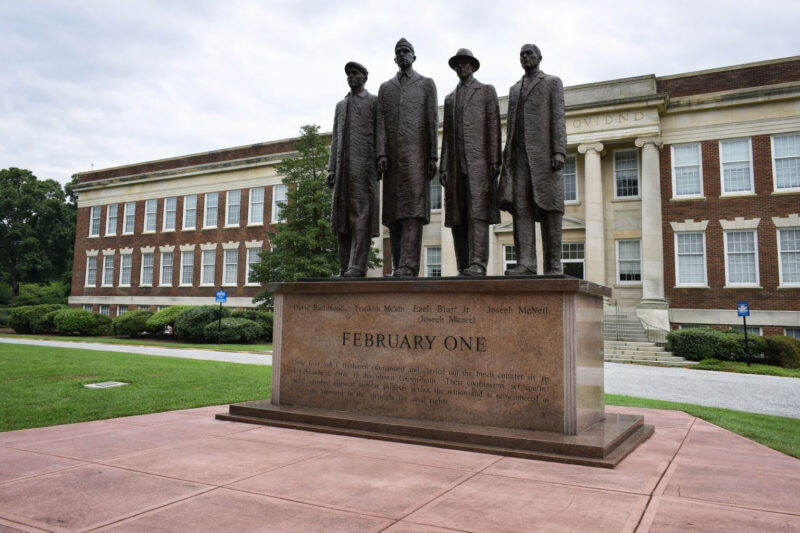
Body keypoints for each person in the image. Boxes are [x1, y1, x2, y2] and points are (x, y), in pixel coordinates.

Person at [498, 44, 567, 275]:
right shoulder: (514, 89)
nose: (525, 57)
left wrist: (559, 150)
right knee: (521, 210)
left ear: (540, 57)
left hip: (544, 157)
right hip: (518, 159)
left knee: (550, 209)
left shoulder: (551, 82)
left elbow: (558, 117)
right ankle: (526, 263)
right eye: (522, 54)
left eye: (529, 53)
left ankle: (553, 264)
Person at [376, 38, 438, 277]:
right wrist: (381, 153)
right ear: (395, 58)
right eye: (399, 52)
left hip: (416, 158)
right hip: (391, 161)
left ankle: (410, 266)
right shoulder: (386, 88)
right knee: (393, 215)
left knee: (412, 212)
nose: (402, 55)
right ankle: (398, 265)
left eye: (406, 51)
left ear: (414, 56)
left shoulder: (426, 84)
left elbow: (432, 121)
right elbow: (380, 122)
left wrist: (432, 156)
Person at [439, 48, 501, 276]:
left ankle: (478, 263)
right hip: (455, 167)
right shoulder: (450, 99)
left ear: (473, 66)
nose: (460, 67)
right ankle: (462, 264)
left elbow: (493, 126)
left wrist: (495, 159)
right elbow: (446, 137)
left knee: (478, 214)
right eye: (457, 64)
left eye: (464, 63)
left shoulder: (485, 91)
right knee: (458, 217)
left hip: (479, 165)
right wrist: (444, 165)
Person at [326, 61, 380, 277]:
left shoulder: (374, 102)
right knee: (341, 220)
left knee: (361, 218)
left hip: (364, 170)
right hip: (342, 172)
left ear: (364, 77)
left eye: (355, 73)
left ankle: (357, 266)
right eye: (348, 74)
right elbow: (335, 139)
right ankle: (343, 267)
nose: (351, 77)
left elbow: (381, 134)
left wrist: (380, 159)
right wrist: (331, 169)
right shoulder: (341, 105)